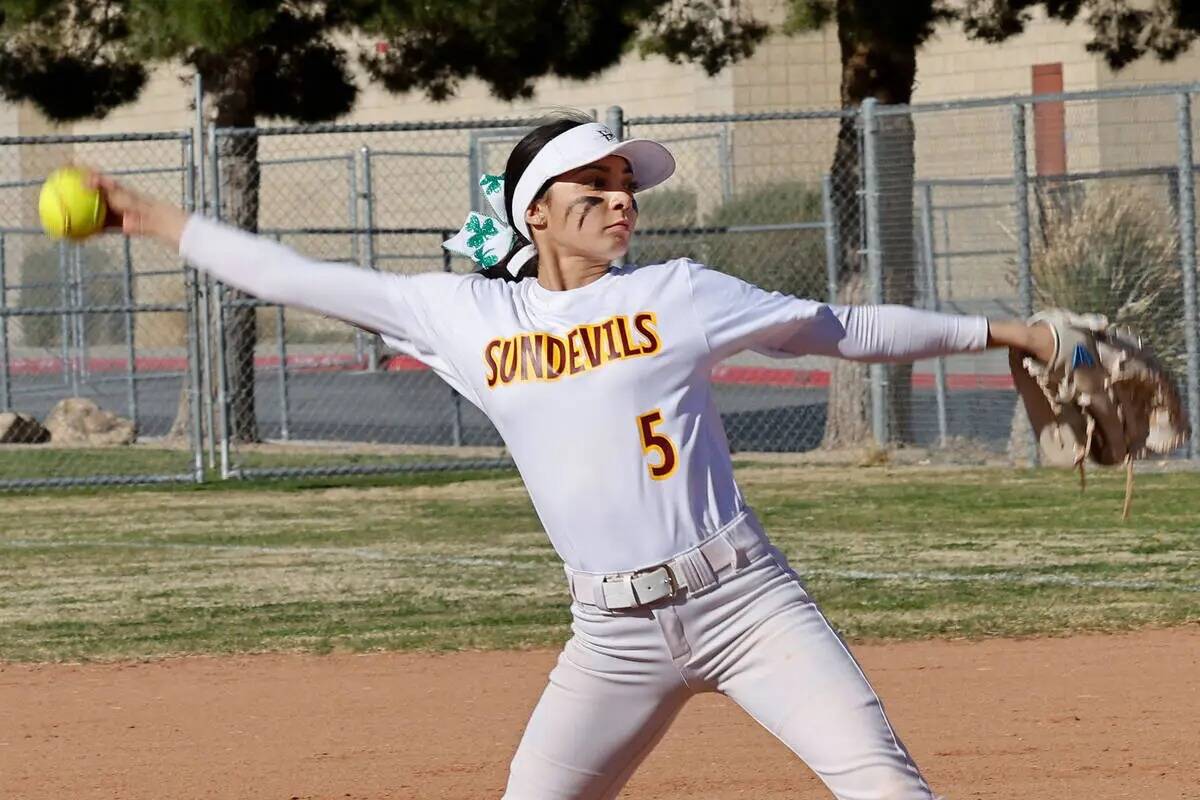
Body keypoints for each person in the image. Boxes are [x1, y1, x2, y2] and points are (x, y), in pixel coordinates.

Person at [90, 111, 1054, 800]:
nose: (618, 199)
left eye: (626, 184)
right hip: (612, 637)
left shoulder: (677, 292)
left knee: (885, 785)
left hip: (747, 605)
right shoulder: (466, 316)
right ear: (534, 215)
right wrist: (158, 218)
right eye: (592, 185)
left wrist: (1015, 334)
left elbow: (840, 328)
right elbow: (295, 275)